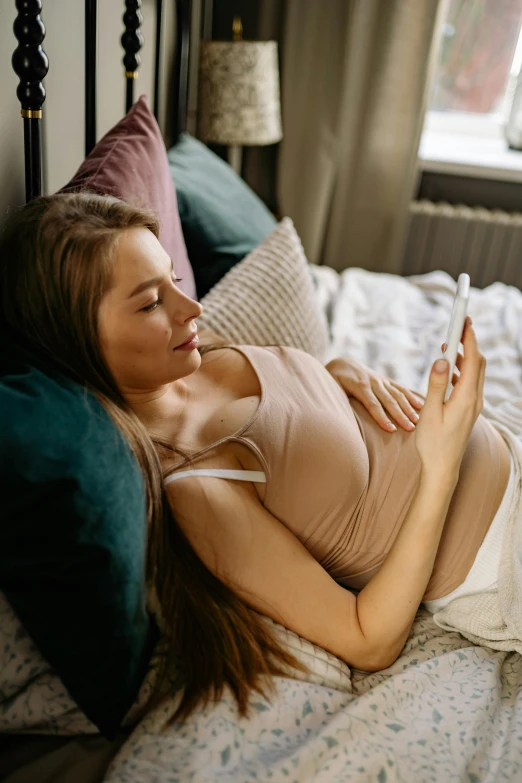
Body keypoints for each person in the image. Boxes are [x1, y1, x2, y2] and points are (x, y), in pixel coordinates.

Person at [0, 191, 510, 726]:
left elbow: (293, 421)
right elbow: (369, 640)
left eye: (174, 280)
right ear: (77, 340)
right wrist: (440, 468)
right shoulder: (198, 486)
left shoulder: (195, 359)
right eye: (151, 303)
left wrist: (337, 372)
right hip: (502, 562)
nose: (191, 308)